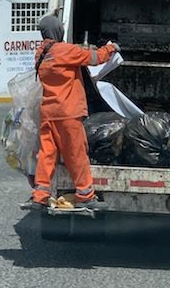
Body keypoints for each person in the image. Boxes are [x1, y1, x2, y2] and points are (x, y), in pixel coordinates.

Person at [21, 15, 118, 211]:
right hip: (68, 113)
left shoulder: (40, 53)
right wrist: (111, 47)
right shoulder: (65, 50)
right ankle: (85, 196)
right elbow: (95, 58)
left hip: (48, 113)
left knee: (47, 155)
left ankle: (40, 196)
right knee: (76, 154)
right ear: (58, 30)